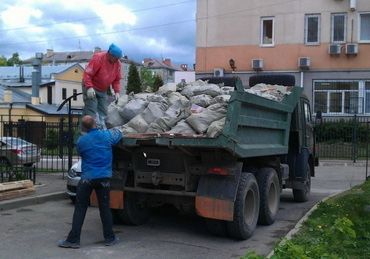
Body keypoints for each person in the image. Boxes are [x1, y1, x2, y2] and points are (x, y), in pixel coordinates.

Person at [58, 115, 123, 248]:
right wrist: (118, 130)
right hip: (104, 178)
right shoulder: (106, 136)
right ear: (95, 124)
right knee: (105, 208)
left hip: (87, 178)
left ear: (83, 127)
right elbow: (118, 135)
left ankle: (73, 240)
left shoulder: (82, 141)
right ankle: (109, 238)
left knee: (80, 208)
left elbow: (82, 153)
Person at [82, 43, 122, 128]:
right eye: (115, 58)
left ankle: (101, 131)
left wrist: (117, 91)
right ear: (110, 54)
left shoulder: (117, 64)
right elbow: (88, 74)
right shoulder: (98, 58)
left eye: (118, 58)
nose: (116, 60)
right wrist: (89, 87)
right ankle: (87, 136)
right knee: (92, 111)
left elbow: (116, 80)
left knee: (103, 111)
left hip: (102, 90)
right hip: (91, 86)